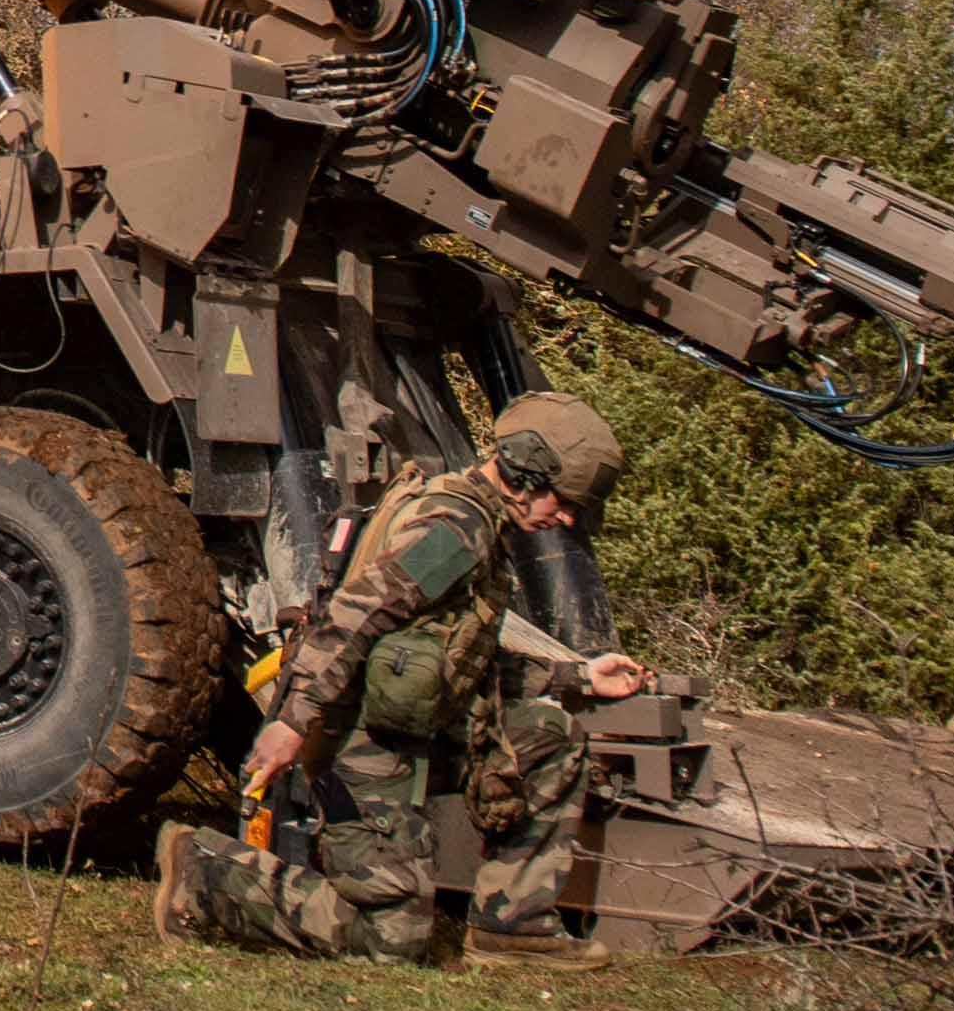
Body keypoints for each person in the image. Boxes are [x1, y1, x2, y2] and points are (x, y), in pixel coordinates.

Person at [155, 390, 652, 966]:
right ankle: (202, 873)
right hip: (362, 746)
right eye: (564, 502)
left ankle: (512, 925)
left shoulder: (481, 523)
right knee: (391, 939)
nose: (565, 519)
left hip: (415, 728)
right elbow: (352, 618)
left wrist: (579, 677)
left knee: (548, 737)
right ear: (526, 472)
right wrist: (292, 722)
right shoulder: (454, 530)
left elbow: (462, 657)